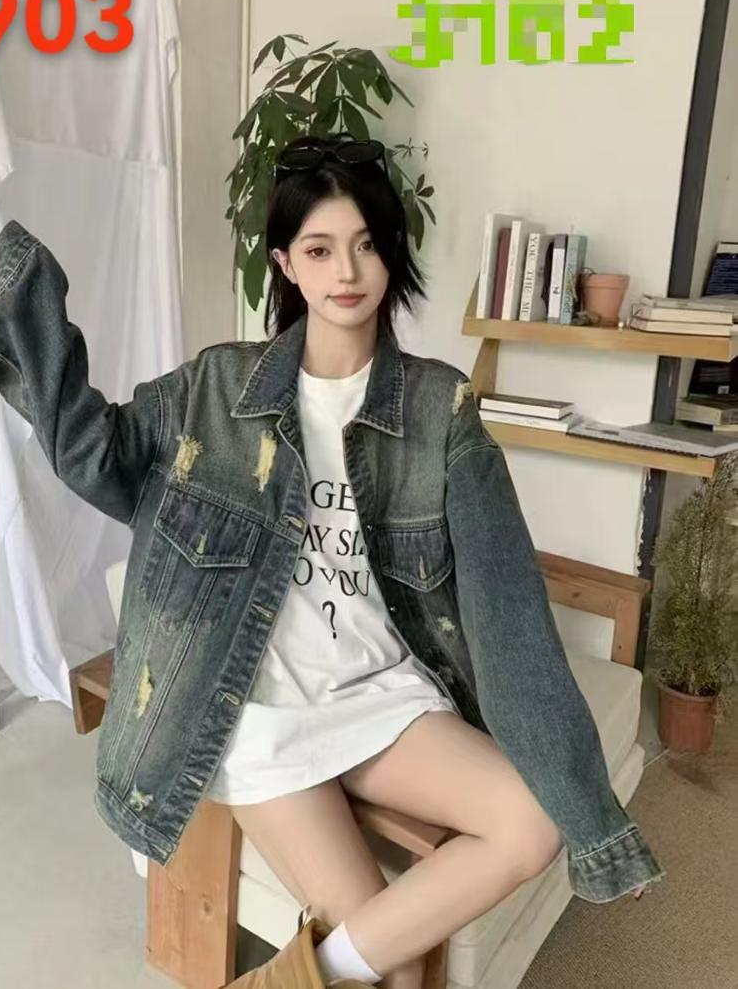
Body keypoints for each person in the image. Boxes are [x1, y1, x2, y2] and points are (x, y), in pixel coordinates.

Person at [202, 133, 649, 989]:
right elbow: (110, 457)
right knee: (402, 973)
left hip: (379, 692)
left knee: (532, 824)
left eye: (368, 244)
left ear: (392, 255)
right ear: (285, 264)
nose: (347, 271)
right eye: (320, 249)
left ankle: (291, 978)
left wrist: (592, 810)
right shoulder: (227, 389)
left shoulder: (440, 406)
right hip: (261, 703)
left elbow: (505, 604)